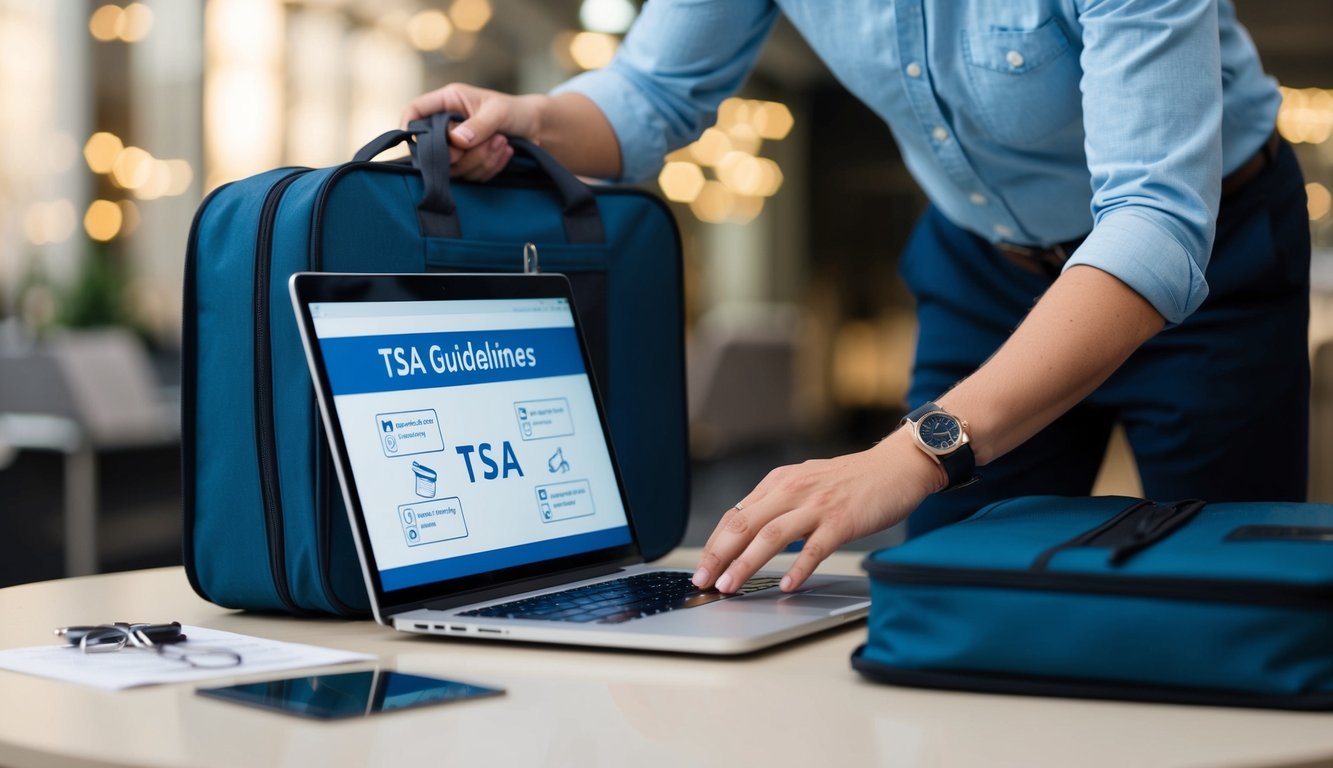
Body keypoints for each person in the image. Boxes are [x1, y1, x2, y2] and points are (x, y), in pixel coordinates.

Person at [404, 0, 1310, 597]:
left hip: (1213, 255)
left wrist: (912, 455)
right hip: (987, 262)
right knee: (954, 602)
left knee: (1233, 606)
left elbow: (1152, 223)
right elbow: (649, 94)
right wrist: (535, 120)